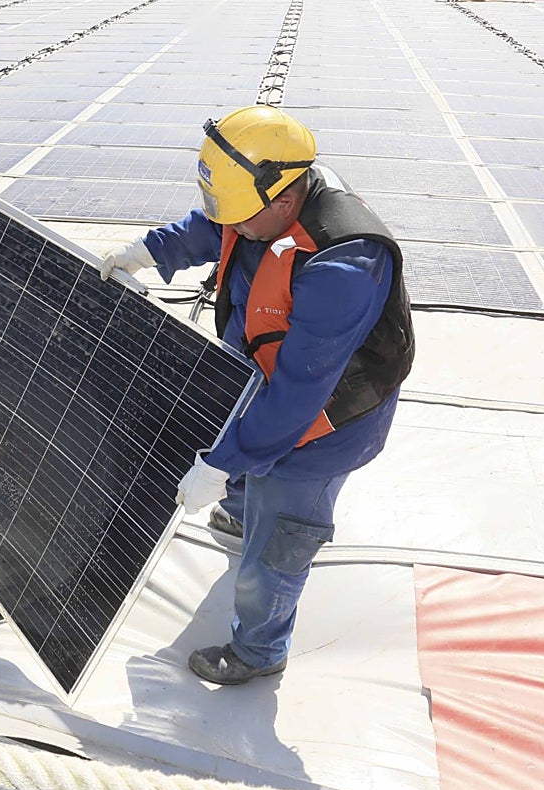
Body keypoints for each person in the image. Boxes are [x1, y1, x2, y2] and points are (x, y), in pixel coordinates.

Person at [100, 105, 414, 685]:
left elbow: (295, 399)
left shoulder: (344, 266)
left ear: (286, 199)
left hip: (322, 430)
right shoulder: (260, 204)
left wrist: (221, 464)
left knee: (274, 553)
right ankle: (244, 509)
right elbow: (213, 227)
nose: (232, 228)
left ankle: (259, 650)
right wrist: (149, 251)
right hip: (258, 385)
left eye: (241, 218)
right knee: (245, 473)